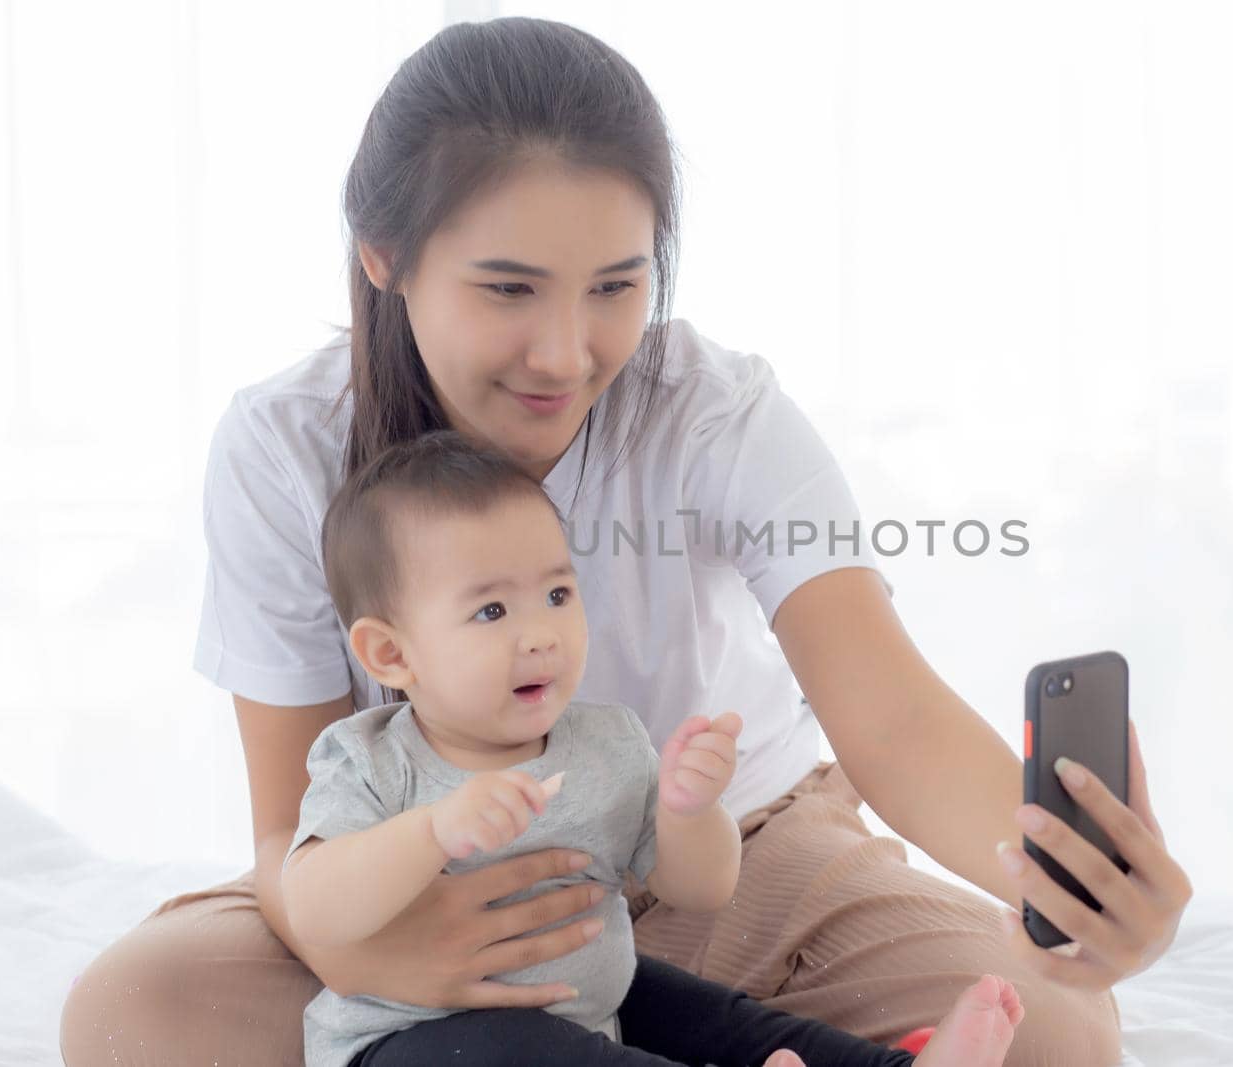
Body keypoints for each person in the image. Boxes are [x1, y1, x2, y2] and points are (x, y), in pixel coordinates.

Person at [59, 16, 1192, 1067]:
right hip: (440, 889)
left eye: (616, 286)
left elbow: (888, 718)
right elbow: (285, 832)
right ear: (382, 256)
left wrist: (1085, 892)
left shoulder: (713, 409)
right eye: (508, 287)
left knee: (1050, 1030)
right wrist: (364, 952)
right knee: (133, 1010)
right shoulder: (283, 446)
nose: (564, 352)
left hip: (740, 858)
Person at [286, 429, 1024, 1066]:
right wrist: (432, 831)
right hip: (416, 1041)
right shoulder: (369, 759)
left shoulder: (605, 741)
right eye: (490, 609)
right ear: (389, 654)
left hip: (585, 997)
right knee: (517, 1049)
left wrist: (690, 810)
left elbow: (699, 889)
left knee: (707, 1009)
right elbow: (316, 905)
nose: (540, 631)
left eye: (557, 594)